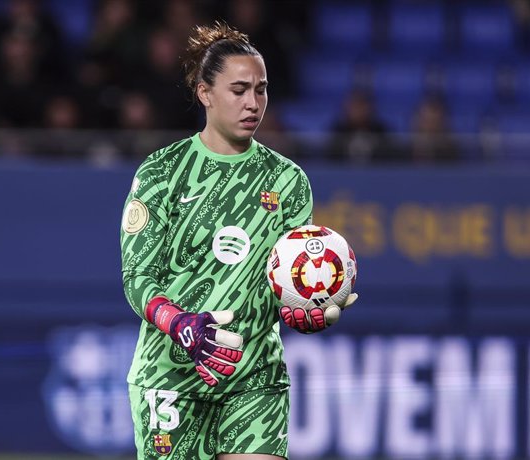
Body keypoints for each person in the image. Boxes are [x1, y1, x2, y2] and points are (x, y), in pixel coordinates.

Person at [120, 22, 357, 459]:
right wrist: (179, 323)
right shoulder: (161, 173)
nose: (253, 103)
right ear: (204, 92)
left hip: (254, 378)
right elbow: (137, 278)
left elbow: (287, 279)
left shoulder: (287, 181)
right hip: (170, 377)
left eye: (262, 89)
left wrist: (307, 307)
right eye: (239, 89)